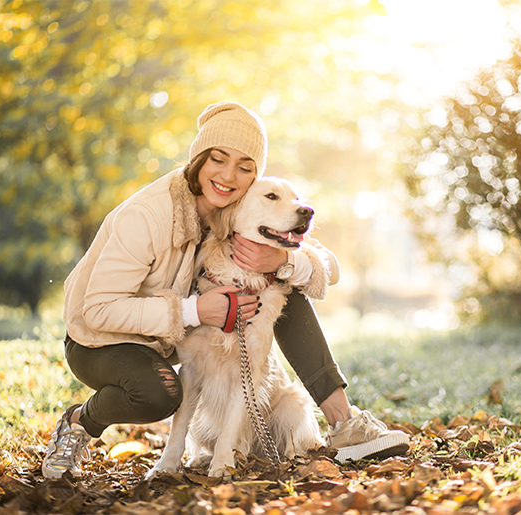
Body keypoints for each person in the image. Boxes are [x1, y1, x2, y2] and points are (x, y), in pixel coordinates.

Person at [42, 101, 409, 479]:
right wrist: (196, 312)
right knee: (160, 393)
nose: (229, 175)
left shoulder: (237, 211)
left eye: (245, 167)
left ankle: (343, 422)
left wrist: (280, 263)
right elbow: (98, 311)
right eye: (218, 159)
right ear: (198, 159)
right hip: (101, 340)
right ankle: (81, 421)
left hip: (166, 339)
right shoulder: (148, 215)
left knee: (284, 286)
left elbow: (327, 267)